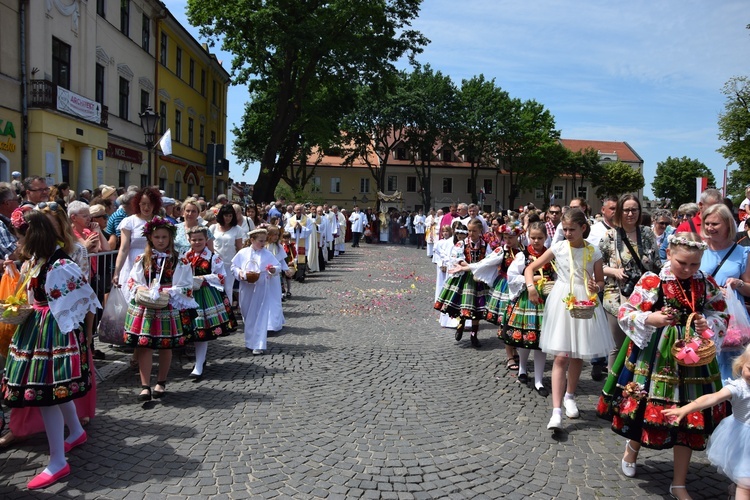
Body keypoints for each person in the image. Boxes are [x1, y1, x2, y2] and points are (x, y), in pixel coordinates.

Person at [597, 232, 730, 500]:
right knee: (644, 405)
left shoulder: (704, 283)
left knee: (689, 418)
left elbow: (721, 312)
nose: (689, 269)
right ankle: (632, 448)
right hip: (655, 355)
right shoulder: (653, 280)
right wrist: (651, 318)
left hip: (692, 358)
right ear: (669, 254)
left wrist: (709, 323)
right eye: (683, 263)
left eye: (694, 264)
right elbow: (626, 312)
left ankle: (679, 482)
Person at [2, 211, 100, 489]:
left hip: (53, 333)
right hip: (41, 328)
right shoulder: (41, 261)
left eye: (21, 237)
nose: (18, 243)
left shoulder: (58, 265)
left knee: (47, 393)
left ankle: (58, 461)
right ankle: (77, 431)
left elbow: (82, 300)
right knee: (53, 391)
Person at [525, 208, 614, 432]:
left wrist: (597, 286)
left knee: (577, 354)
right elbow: (530, 268)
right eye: (564, 229)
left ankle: (570, 395)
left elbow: (601, 282)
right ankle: (556, 412)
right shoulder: (558, 247)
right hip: (562, 300)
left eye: (571, 229)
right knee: (561, 357)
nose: (567, 233)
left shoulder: (593, 252)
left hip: (584, 301)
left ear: (583, 228)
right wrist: (530, 288)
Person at [122, 217, 198, 401]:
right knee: (145, 345)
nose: (161, 240)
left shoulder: (179, 260)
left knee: (165, 345)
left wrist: (170, 291)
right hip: (147, 306)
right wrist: (141, 288)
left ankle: (161, 382)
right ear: (150, 238)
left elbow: (187, 284)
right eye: (157, 237)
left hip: (168, 306)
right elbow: (133, 280)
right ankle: (145, 385)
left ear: (171, 238)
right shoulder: (143, 259)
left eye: (164, 237)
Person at [662, 344, 750, 500]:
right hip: (742, 442)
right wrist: (685, 409)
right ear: (742, 363)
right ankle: (739, 488)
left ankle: (735, 486)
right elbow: (712, 398)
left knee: (744, 477)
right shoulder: (739, 388)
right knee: (746, 484)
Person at [599, 194, 661, 373]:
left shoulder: (647, 233)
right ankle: (611, 388)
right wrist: (614, 271)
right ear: (619, 211)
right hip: (617, 296)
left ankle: (635, 385)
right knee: (617, 345)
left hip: (644, 296)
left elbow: (657, 263)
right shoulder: (609, 236)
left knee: (641, 342)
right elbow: (597, 266)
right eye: (626, 209)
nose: (630, 213)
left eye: (634, 209)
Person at [699, 203, 750, 383]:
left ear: (728, 224)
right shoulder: (698, 249)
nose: (710, 228)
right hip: (703, 317)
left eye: (715, 224)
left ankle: (730, 409)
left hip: (732, 320)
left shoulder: (742, 252)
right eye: (707, 223)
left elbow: (749, 288)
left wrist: (738, 283)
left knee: (731, 371)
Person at [503, 221, 553, 396]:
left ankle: (539, 379)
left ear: (546, 237)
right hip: (527, 299)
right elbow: (511, 275)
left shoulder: (550, 255)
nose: (536, 241)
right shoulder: (523, 255)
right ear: (528, 237)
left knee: (542, 342)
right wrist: (529, 281)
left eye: (540, 238)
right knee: (526, 336)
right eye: (533, 237)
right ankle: (523, 369)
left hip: (547, 300)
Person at [185, 226, 237, 380]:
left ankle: (199, 363)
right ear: (189, 240)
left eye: (200, 239)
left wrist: (203, 278)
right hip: (187, 296)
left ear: (206, 239)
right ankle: (198, 359)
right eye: (194, 240)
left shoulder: (213, 257)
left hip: (205, 296)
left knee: (202, 329)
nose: (197, 242)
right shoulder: (185, 256)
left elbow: (221, 276)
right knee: (190, 328)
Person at [434, 219, 491, 348]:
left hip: (479, 278)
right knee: (463, 303)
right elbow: (457, 258)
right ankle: (461, 324)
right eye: (469, 230)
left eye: (474, 231)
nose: (471, 233)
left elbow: (489, 259)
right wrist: (471, 266)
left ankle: (474, 335)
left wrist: (478, 268)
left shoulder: (485, 245)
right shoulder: (462, 243)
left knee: (477, 307)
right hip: (464, 277)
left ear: (480, 231)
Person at [232, 228, 279, 355]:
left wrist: (273, 270)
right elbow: (234, 266)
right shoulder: (243, 253)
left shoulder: (267, 254)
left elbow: (276, 266)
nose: (263, 244)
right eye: (260, 241)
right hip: (246, 285)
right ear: (252, 240)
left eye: (264, 241)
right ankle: (249, 341)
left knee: (260, 313)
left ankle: (259, 344)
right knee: (247, 313)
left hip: (261, 285)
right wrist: (240, 273)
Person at [484, 222, 524, 369]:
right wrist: (469, 267)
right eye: (506, 237)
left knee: (517, 319)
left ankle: (515, 350)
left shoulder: (523, 251)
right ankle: (509, 356)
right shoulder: (502, 250)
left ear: (518, 237)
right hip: (505, 286)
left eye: (511, 237)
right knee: (506, 319)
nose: (508, 240)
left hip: (519, 286)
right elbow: (486, 262)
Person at [112, 188, 160, 288]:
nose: (146, 207)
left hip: (154, 262)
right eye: (143, 203)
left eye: (150, 204)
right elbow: (124, 248)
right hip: (132, 262)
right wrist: (117, 272)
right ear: (138, 204)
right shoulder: (129, 221)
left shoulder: (160, 221)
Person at [209, 204, 245, 300]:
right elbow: (209, 245)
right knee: (215, 287)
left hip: (229, 264)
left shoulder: (237, 229)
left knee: (228, 288)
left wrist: (240, 264)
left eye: (230, 216)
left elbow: (239, 248)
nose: (228, 218)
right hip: (215, 263)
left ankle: (228, 312)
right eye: (226, 215)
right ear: (221, 215)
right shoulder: (213, 228)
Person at [265, 225, 292, 328]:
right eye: (273, 234)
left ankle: (275, 323)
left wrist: (286, 270)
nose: (276, 237)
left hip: (275, 276)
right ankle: (267, 323)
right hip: (265, 276)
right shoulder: (265, 246)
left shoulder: (278, 247)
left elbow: (281, 261)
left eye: (277, 234)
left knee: (275, 298)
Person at [281, 231, 296, 298]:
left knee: (288, 278)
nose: (286, 240)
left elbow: (295, 255)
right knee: (282, 278)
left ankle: (289, 291)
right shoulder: (281, 246)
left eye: (287, 238)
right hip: (282, 263)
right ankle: (283, 291)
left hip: (289, 264)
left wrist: (292, 261)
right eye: (284, 238)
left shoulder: (291, 246)